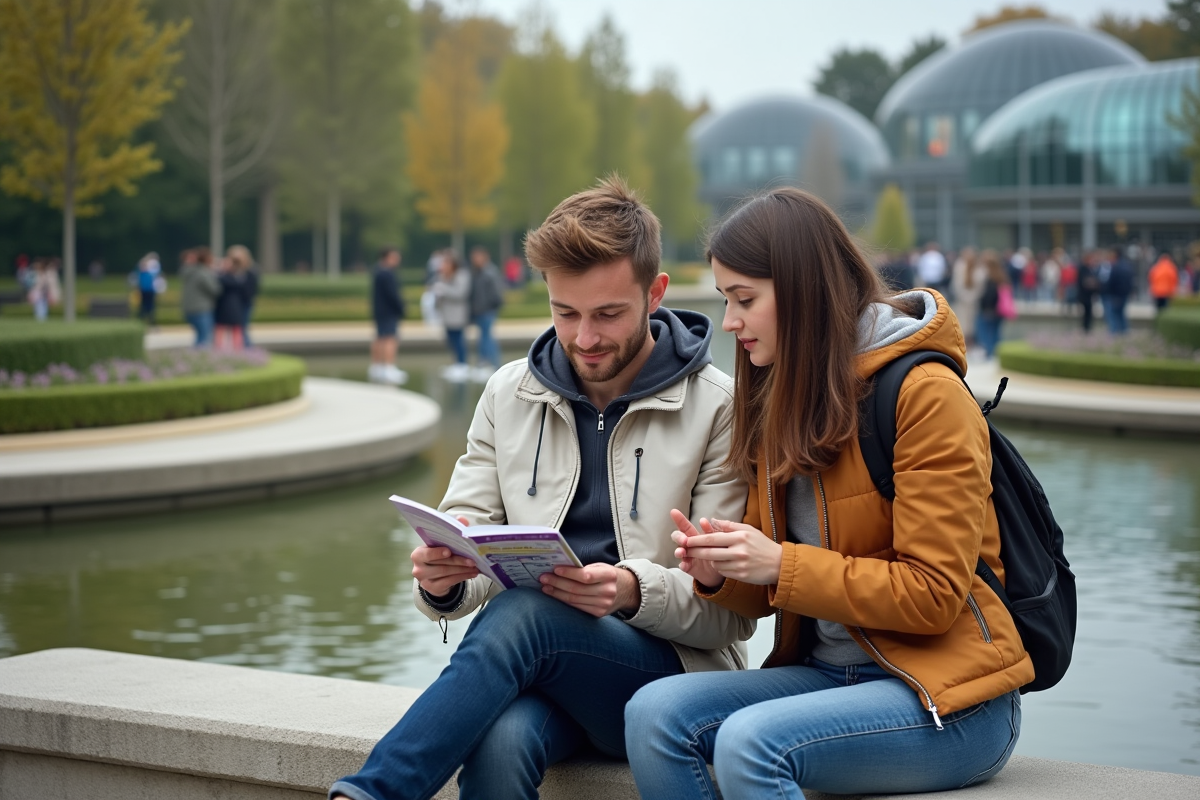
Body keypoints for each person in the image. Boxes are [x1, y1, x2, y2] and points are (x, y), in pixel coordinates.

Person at [329, 177, 753, 800]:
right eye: (565, 313)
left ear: (655, 293)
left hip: (671, 678)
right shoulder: (508, 392)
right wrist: (442, 582)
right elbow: (467, 532)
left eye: (608, 314)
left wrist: (631, 591)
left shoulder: (721, 407)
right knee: (500, 743)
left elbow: (731, 614)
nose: (584, 338)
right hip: (546, 672)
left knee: (526, 611)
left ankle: (377, 793)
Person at [624, 187, 1030, 800]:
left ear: (804, 291)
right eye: (726, 300)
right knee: (654, 715)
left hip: (951, 696)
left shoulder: (925, 395)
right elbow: (764, 600)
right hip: (825, 676)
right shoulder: (780, 392)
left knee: (750, 745)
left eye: (745, 300)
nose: (729, 322)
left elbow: (935, 596)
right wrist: (720, 569)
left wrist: (778, 562)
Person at [369, 246, 408, 385]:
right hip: (389, 312)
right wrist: (402, 308)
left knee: (380, 338)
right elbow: (393, 295)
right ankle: (389, 368)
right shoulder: (387, 273)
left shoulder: (377, 271)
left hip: (380, 311)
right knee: (390, 339)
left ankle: (377, 366)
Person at [432, 250, 471, 383]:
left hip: (458, 314)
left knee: (459, 339)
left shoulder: (462, 275)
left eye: (446, 262)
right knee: (450, 340)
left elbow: (461, 293)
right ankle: (456, 364)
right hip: (446, 314)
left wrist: (444, 289)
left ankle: (462, 365)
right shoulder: (442, 276)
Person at [468, 245, 505, 381]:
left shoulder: (490, 272)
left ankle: (494, 365)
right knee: (482, 337)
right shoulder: (476, 272)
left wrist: (492, 306)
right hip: (479, 310)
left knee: (487, 337)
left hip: (487, 310)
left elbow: (497, 293)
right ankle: (484, 363)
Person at [180, 247, 220, 347]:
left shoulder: (189, 271)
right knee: (204, 338)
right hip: (201, 308)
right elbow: (215, 289)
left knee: (200, 336)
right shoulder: (203, 273)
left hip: (189, 308)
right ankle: (200, 358)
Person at [976, 250, 1011, 359]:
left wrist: (986, 307)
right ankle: (996, 352)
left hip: (990, 310)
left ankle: (990, 352)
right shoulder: (1002, 276)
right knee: (996, 332)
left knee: (984, 331)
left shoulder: (991, 278)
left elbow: (990, 295)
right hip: (999, 310)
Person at [950, 246, 985, 351]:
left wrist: (967, 297)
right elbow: (957, 285)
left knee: (969, 324)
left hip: (968, 302)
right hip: (966, 302)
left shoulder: (978, 269)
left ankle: (968, 346)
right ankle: (966, 345)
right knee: (965, 324)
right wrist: (969, 297)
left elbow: (980, 287)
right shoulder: (961, 267)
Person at [214, 253, 249, 350]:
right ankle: (225, 349)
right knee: (224, 329)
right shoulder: (234, 278)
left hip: (231, 306)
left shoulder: (231, 277)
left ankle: (235, 349)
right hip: (228, 306)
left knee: (234, 329)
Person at [226, 245, 259, 347]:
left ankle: (247, 350)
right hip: (231, 305)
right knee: (232, 329)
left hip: (244, 303)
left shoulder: (251, 272)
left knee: (242, 328)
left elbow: (252, 290)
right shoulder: (228, 272)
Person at [1101, 248, 1134, 335]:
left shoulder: (1116, 267)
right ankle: (1124, 331)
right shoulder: (1127, 266)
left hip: (1115, 295)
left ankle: (1114, 333)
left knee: (1113, 315)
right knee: (1121, 313)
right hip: (1123, 294)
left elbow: (1112, 282)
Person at [1078, 251, 1100, 333]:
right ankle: (1086, 328)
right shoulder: (1084, 268)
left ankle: (1087, 328)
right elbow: (1085, 282)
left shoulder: (1090, 269)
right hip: (1085, 295)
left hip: (1089, 295)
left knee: (1088, 312)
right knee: (1087, 312)